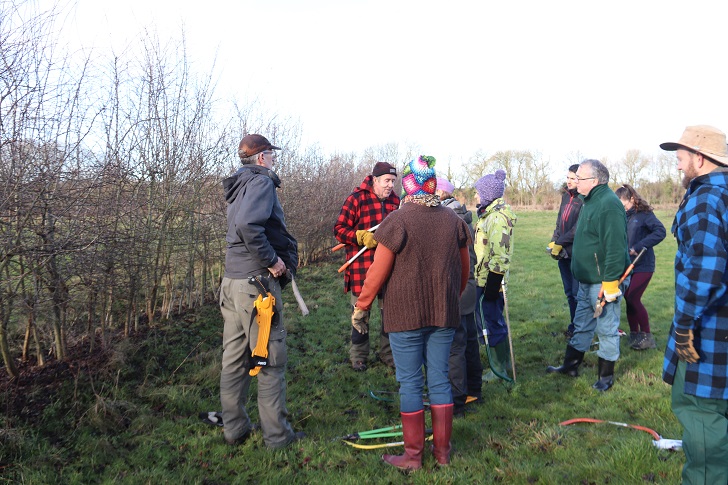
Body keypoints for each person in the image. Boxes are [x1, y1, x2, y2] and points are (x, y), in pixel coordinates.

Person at [354, 156, 471, 470]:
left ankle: (413, 457)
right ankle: (443, 454)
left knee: (409, 383)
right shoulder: (453, 220)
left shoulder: (398, 220)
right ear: (432, 183)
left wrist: (362, 306)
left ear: (407, 186)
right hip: (444, 313)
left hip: (404, 315)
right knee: (440, 379)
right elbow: (464, 271)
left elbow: (378, 272)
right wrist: (450, 298)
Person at [219, 134, 304, 449]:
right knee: (270, 359)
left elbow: (242, 225)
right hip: (256, 288)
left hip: (232, 283)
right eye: (272, 155)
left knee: (234, 358)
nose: (274, 160)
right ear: (262, 157)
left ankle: (235, 429)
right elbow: (248, 227)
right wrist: (273, 261)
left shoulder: (238, 185)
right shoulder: (261, 183)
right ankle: (278, 438)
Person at [660, 125, 728, 484]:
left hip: (709, 336)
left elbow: (706, 269)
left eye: (681, 159)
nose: (677, 166)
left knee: (702, 418)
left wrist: (684, 326)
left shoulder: (705, 199)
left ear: (700, 159)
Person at [547, 159, 630, 392]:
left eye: (580, 178)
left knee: (606, 327)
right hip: (585, 280)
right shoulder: (588, 201)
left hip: (602, 282)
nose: (575, 181)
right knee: (582, 323)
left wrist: (611, 283)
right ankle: (570, 366)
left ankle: (606, 378)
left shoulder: (608, 204)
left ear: (594, 181)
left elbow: (615, 246)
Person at [334, 162, 400, 371]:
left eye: (393, 181)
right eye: (387, 181)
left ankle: (387, 354)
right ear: (375, 180)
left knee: (390, 316)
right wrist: (360, 236)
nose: (390, 185)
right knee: (360, 314)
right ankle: (359, 356)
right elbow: (339, 230)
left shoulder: (396, 203)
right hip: (361, 269)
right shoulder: (357, 199)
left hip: (389, 270)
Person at [436, 176, 482, 415]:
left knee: (455, 347)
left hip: (457, 289)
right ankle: (475, 390)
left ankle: (457, 401)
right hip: (469, 288)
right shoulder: (463, 215)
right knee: (469, 342)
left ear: (443, 194)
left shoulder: (448, 220)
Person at [473, 170, 517, 382]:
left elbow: (500, 255)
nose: (475, 197)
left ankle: (499, 369)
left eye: (477, 193)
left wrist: (493, 284)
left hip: (492, 281)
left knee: (493, 322)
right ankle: (502, 363)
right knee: (492, 320)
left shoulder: (497, 218)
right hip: (484, 277)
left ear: (487, 194)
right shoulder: (487, 215)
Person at [613, 184, 666, 350]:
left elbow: (660, 232)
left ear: (632, 199)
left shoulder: (644, 215)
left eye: (624, 204)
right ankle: (634, 334)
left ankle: (647, 336)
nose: (623, 208)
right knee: (628, 299)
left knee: (633, 297)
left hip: (644, 264)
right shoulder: (623, 216)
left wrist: (639, 246)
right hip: (628, 264)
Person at [548, 164, 583, 338]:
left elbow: (578, 228)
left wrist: (560, 242)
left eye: (572, 178)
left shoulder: (584, 199)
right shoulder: (564, 197)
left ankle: (580, 329)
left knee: (578, 294)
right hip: (563, 253)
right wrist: (554, 241)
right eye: (567, 177)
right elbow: (559, 222)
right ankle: (574, 325)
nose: (568, 181)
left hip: (577, 253)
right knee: (569, 293)